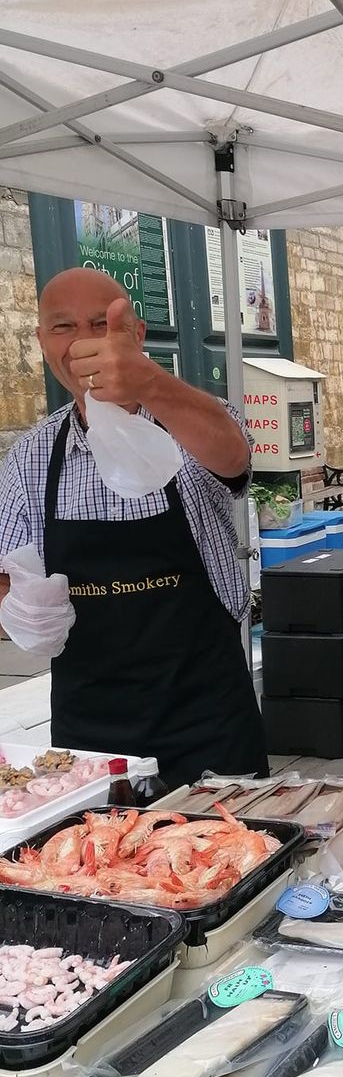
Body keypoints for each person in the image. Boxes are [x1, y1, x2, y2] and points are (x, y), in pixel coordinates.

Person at [0, 268, 267, 789]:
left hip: (207, 722)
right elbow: (7, 572)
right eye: (63, 326)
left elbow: (232, 457)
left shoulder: (190, 419)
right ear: (41, 341)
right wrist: (20, 611)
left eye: (101, 323)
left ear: (136, 335)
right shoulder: (30, 456)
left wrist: (148, 381)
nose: (81, 340)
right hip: (90, 736)